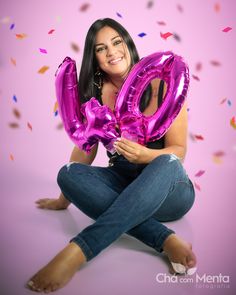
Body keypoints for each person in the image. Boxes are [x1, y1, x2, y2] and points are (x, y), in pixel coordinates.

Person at [26, 18, 196, 293]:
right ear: (94, 58)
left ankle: (77, 252)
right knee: (67, 173)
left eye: (117, 42)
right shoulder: (92, 93)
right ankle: (164, 239)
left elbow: (179, 151)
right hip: (122, 180)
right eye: (101, 48)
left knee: (167, 161)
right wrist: (64, 197)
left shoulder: (164, 83)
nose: (112, 52)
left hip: (168, 186)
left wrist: (144, 155)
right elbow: (86, 148)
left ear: (128, 44)